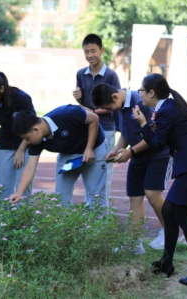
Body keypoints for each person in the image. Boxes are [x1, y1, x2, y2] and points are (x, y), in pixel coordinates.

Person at [133, 73, 187, 286]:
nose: (140, 93)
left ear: (151, 93)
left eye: (142, 90)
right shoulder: (168, 107)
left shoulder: (166, 110)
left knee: (183, 217)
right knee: (169, 212)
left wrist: (143, 124)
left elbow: (157, 145)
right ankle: (166, 263)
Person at [91, 83, 173, 254]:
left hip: (158, 154)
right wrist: (116, 149)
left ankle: (168, 231)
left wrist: (130, 151)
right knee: (134, 198)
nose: (109, 110)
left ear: (114, 97)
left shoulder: (141, 101)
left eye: (109, 107)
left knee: (152, 194)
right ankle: (133, 243)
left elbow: (156, 135)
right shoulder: (116, 108)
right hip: (137, 155)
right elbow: (125, 134)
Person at [10, 106, 107, 207]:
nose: (27, 142)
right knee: (61, 197)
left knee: (96, 196)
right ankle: (65, 222)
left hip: (94, 148)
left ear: (36, 129)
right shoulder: (36, 142)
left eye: (27, 138)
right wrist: (19, 192)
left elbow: (94, 118)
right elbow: (30, 167)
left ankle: (99, 221)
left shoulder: (67, 114)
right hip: (68, 154)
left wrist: (89, 148)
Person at [73, 34, 121, 202]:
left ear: (101, 51)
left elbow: (115, 105)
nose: (90, 55)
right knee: (88, 168)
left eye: (93, 51)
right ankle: (91, 209)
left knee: (104, 172)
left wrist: (91, 111)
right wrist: (77, 98)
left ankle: (103, 214)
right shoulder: (81, 74)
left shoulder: (111, 75)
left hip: (106, 129)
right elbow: (82, 103)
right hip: (86, 129)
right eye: (86, 52)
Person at [0, 72, 35, 199]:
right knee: (2, 187)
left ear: (2, 89)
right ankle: (2, 217)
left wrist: (21, 150)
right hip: (5, 144)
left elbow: (32, 127)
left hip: (26, 143)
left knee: (23, 187)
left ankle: (22, 216)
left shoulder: (21, 98)